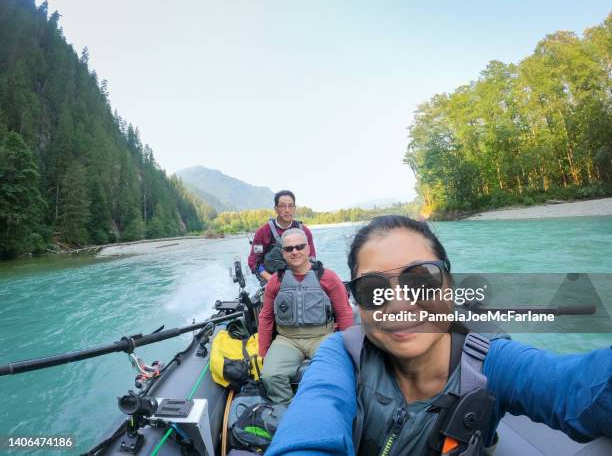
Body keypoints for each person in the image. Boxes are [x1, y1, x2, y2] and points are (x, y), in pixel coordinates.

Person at [266, 215, 612, 455]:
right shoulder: (343, 353)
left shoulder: (490, 362)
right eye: (373, 288)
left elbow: (579, 388)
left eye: (422, 278)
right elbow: (312, 422)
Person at [258, 227, 354, 405]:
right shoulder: (275, 281)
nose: (295, 252)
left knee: (332, 371)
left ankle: (325, 407)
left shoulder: (329, 278)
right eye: (289, 249)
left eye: (299, 247)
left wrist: (349, 349)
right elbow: (266, 317)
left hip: (322, 336)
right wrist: (263, 351)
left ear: (308, 248)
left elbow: (344, 313)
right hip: (287, 339)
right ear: (283, 253)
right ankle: (287, 410)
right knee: (270, 375)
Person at [247, 190, 316, 283]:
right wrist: (272, 281)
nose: (287, 210)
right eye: (282, 206)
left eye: (290, 206)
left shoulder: (305, 232)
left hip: (300, 281)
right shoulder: (262, 233)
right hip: (272, 281)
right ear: (275, 209)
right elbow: (254, 262)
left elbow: (312, 258)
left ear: (295, 208)